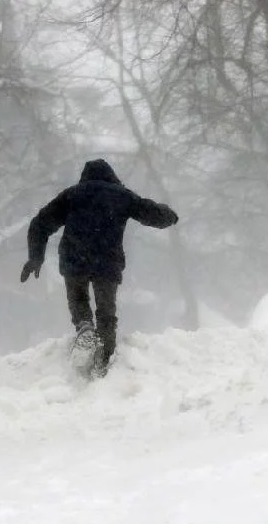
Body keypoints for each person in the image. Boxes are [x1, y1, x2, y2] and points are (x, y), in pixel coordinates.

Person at [20, 158, 179, 375]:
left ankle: (84, 327)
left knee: (78, 300)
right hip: (107, 261)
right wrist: (169, 215)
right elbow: (149, 212)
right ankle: (104, 359)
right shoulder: (121, 195)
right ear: (111, 175)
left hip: (74, 258)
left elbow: (40, 223)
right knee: (106, 311)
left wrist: (35, 257)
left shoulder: (72, 194)